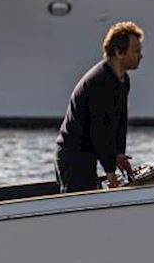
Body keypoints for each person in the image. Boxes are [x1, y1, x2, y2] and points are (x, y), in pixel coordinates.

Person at [54, 21, 144, 193]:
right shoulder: (101, 82)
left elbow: (120, 119)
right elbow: (100, 130)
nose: (141, 56)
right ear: (119, 52)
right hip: (74, 155)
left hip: (89, 154)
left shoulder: (122, 80)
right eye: (136, 51)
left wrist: (119, 153)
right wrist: (110, 172)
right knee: (79, 209)